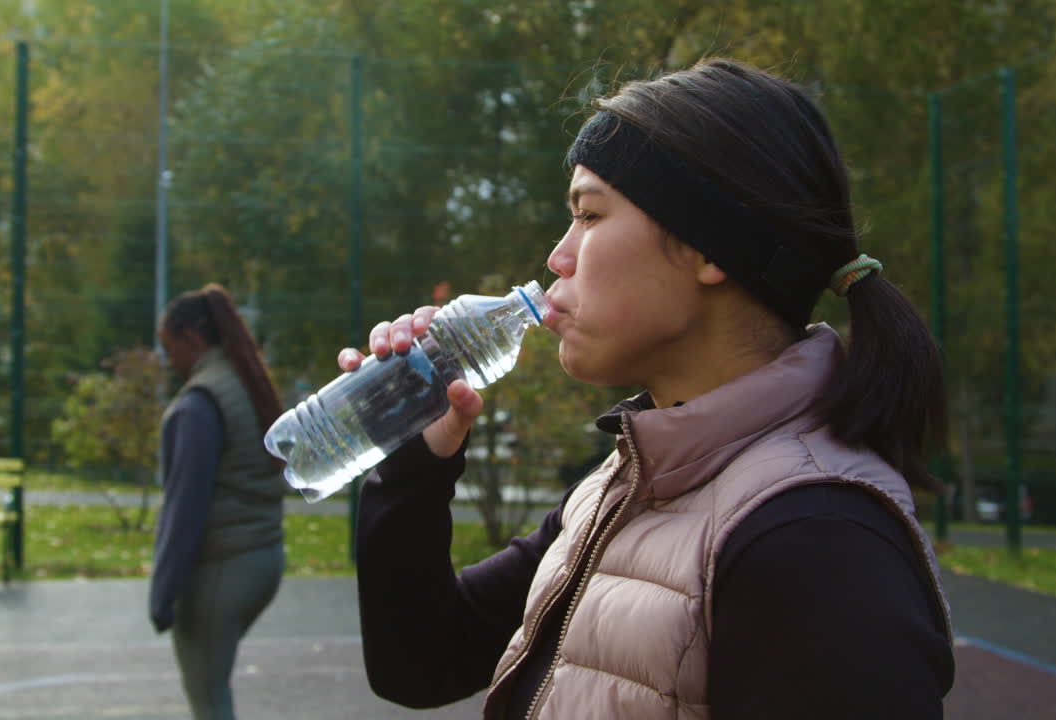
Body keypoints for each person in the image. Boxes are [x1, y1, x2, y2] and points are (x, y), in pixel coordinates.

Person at [344, 58, 955, 719]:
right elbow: (422, 661)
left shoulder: (816, 545)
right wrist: (413, 463)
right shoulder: (631, 481)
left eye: (590, 213)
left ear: (709, 247)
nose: (559, 255)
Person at [149, 284, 288, 720]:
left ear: (192, 339)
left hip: (222, 572)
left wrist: (163, 592)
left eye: (170, 348)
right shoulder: (249, 382)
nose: (170, 361)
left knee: (209, 701)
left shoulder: (198, 403)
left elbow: (184, 509)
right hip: (266, 558)